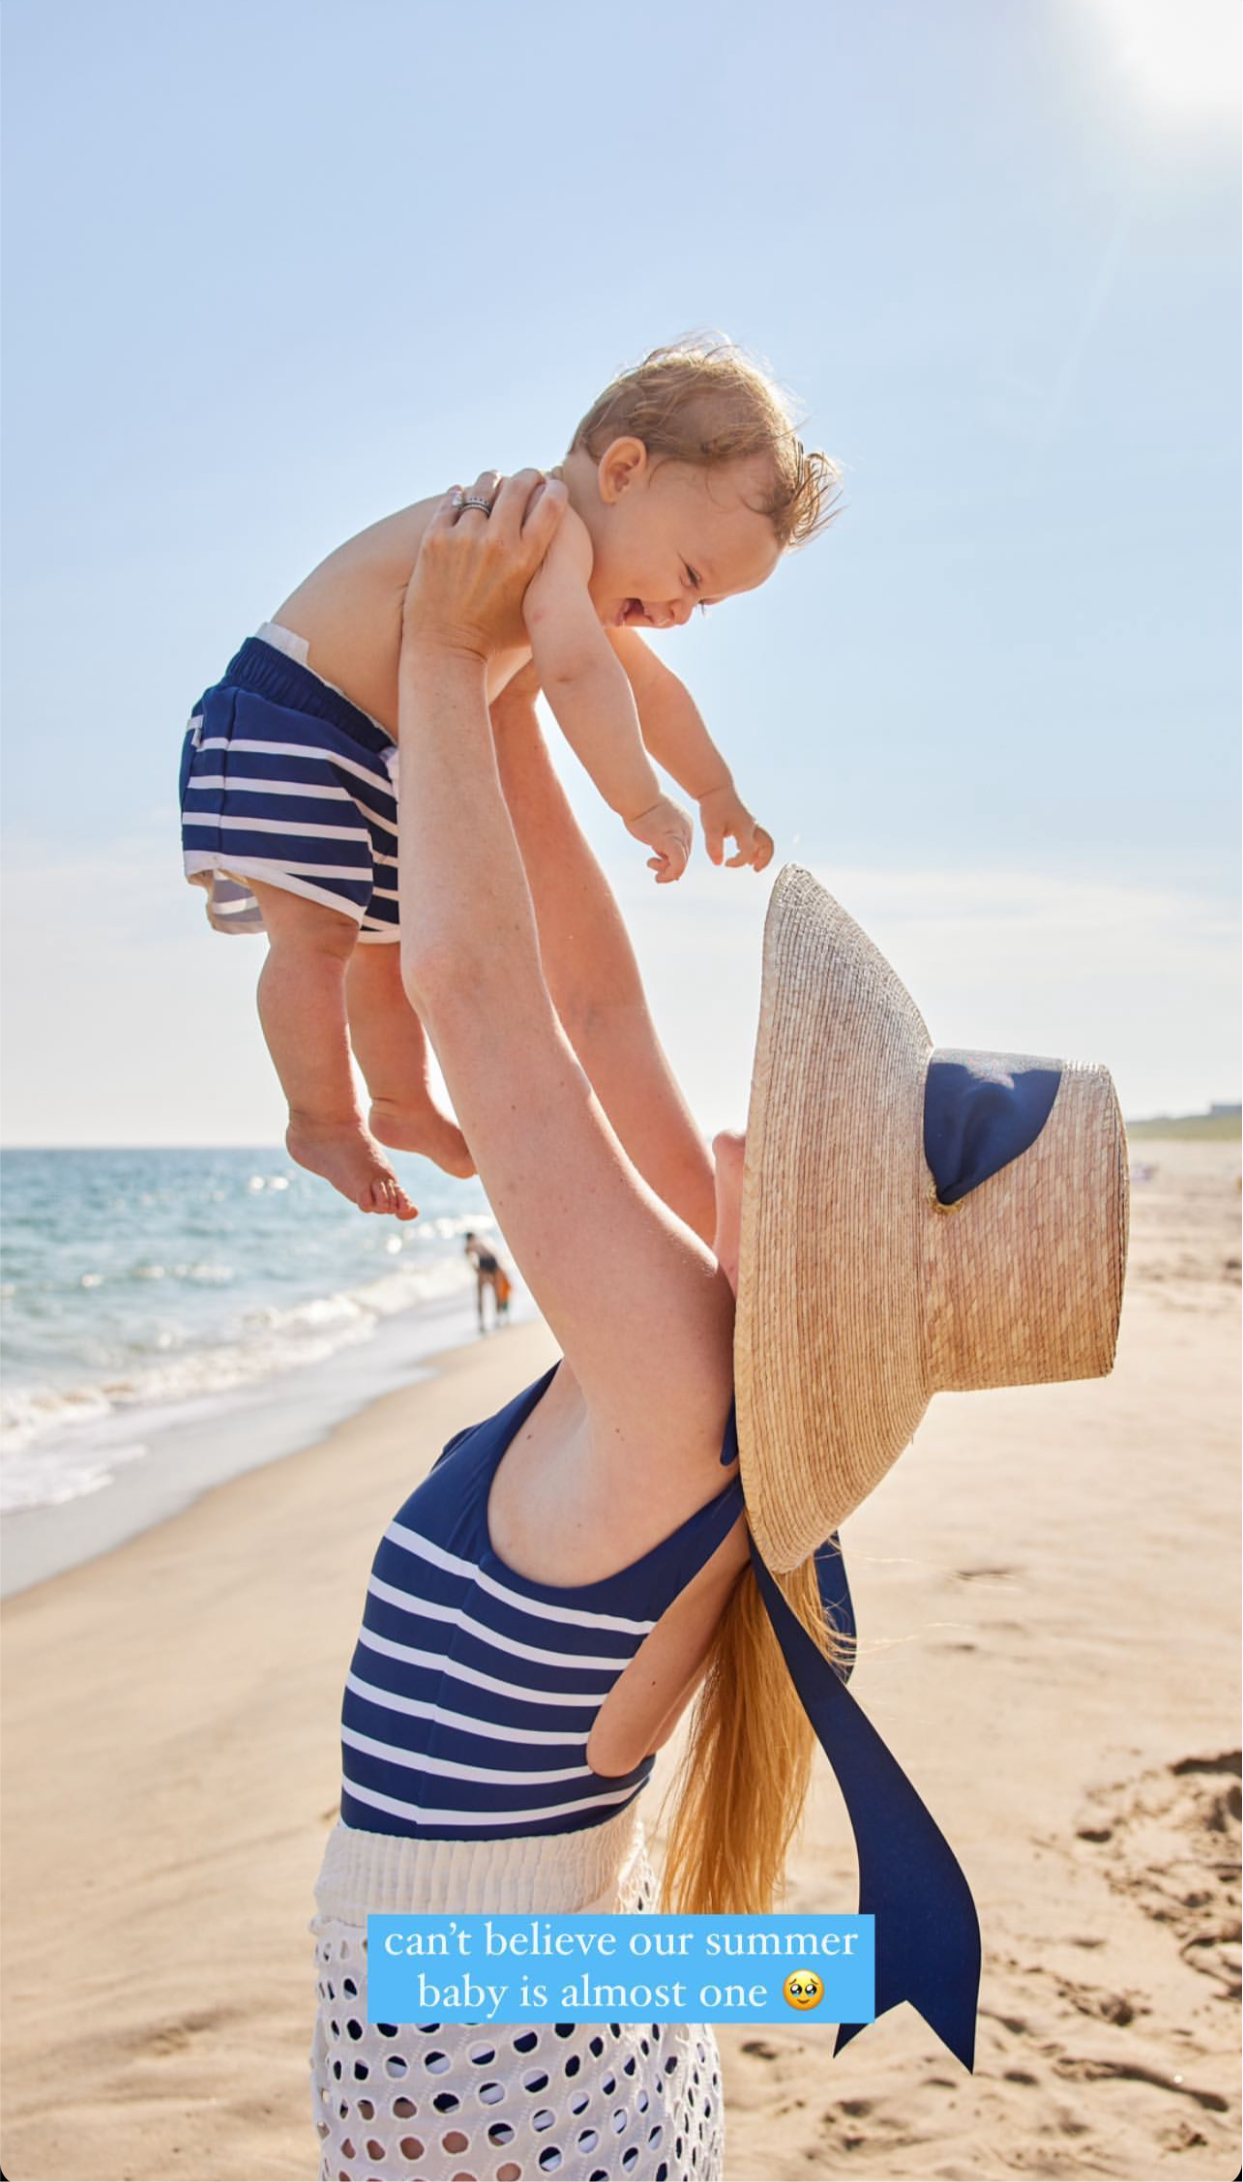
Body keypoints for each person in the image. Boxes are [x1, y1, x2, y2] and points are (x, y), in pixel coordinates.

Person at [307, 475, 1129, 2182]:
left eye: (837, 1147)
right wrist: (518, 685)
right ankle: (833, 1971)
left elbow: (485, 1006)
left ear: (832, 1259)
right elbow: (596, 1008)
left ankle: (835, 1971)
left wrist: (439, 661)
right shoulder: (705, 1349)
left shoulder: (676, 1372)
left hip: (480, 2058)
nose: (775, 1123)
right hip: (543, 2002)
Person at [179, 340, 839, 1221]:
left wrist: (716, 791)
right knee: (316, 941)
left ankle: (400, 1101)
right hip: (293, 717)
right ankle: (320, 1120)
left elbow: (648, 689)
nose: (682, 612)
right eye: (688, 575)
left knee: (383, 943)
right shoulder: (545, 528)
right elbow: (575, 673)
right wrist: (641, 802)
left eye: (704, 603)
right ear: (623, 472)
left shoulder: (566, 570)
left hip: (375, 752)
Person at [463, 1230, 511, 1331]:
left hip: (485, 1263)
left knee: (480, 1294)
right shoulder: (483, 1240)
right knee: (497, 1293)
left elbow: (470, 1260)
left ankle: (481, 1323)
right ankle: (498, 1319)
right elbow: (496, 1254)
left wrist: (477, 1271)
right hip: (494, 1263)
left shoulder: (469, 1244)